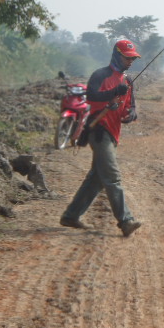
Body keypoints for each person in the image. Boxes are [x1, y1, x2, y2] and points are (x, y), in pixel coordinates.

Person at [59, 39, 142, 237]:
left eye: (132, 58)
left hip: (114, 133)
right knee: (112, 176)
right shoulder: (100, 75)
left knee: (96, 179)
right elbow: (91, 96)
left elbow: (131, 107)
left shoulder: (128, 81)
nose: (130, 62)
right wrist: (114, 92)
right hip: (98, 131)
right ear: (116, 54)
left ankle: (70, 216)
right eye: (126, 57)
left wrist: (131, 115)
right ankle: (126, 220)